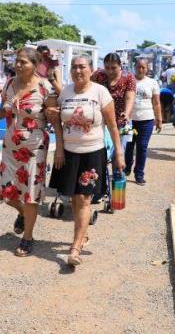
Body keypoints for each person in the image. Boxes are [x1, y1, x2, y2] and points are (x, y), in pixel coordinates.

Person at [48, 55, 124, 267]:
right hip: (69, 153)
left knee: (84, 200)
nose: (78, 71)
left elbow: (112, 126)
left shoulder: (100, 92)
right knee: (73, 198)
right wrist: (59, 149)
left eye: (82, 67)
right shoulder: (66, 92)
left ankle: (75, 247)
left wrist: (119, 153)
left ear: (91, 69)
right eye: (74, 67)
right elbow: (58, 125)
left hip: (92, 152)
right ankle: (82, 235)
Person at [0, 47, 54, 256]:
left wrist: (61, 149)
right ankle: (22, 213)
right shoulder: (10, 84)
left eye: (24, 62)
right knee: (9, 193)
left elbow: (54, 118)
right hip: (10, 147)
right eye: (17, 61)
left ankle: (28, 237)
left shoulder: (44, 87)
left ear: (35, 64)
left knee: (31, 193)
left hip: (34, 148)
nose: (19, 65)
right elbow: (3, 112)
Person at [91, 53, 136, 176]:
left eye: (113, 68)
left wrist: (126, 113)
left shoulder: (129, 78)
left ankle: (118, 182)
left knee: (119, 152)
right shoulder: (97, 75)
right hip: (102, 120)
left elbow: (129, 98)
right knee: (101, 152)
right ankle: (101, 184)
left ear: (120, 66)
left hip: (122, 121)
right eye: (107, 67)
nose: (110, 71)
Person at [125, 58, 162, 186]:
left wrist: (159, 119)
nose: (141, 69)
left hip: (146, 120)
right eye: (139, 67)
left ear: (147, 68)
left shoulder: (152, 83)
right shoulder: (128, 81)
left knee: (142, 147)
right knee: (129, 146)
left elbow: (156, 103)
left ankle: (139, 174)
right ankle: (127, 167)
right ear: (135, 67)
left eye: (143, 67)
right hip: (130, 121)